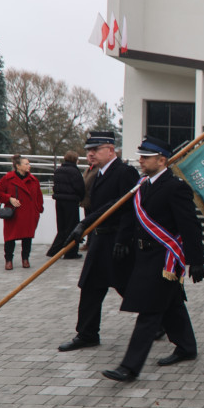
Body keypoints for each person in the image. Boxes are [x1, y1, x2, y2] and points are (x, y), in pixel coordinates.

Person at [101, 136, 204, 382]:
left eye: (146, 157)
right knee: (171, 305)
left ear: (162, 160)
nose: (141, 161)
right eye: (140, 156)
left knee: (149, 312)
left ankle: (129, 367)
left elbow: (190, 226)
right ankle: (187, 347)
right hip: (143, 256)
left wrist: (197, 260)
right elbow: (127, 213)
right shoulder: (143, 185)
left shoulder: (176, 187)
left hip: (164, 259)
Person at [57, 131, 140, 352]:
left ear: (111, 150)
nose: (90, 154)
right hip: (100, 238)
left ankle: (159, 320)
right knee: (91, 286)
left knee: (129, 287)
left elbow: (128, 208)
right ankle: (87, 333)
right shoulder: (99, 173)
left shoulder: (125, 172)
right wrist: (85, 228)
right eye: (88, 151)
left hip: (118, 239)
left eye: (95, 150)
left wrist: (124, 238)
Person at [0, 155, 45, 270]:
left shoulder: (33, 180)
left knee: (27, 237)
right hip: (13, 214)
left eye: (29, 163)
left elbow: (38, 196)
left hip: (29, 213)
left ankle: (25, 259)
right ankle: (8, 260)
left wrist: (38, 209)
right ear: (18, 166)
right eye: (26, 164)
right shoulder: (8, 178)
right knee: (10, 237)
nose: (29, 166)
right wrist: (9, 199)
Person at [46, 151, 86, 259]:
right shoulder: (74, 171)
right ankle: (70, 252)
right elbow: (80, 187)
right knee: (72, 227)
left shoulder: (58, 170)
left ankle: (54, 250)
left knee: (62, 227)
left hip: (59, 201)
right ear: (75, 160)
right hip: (71, 202)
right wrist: (81, 198)